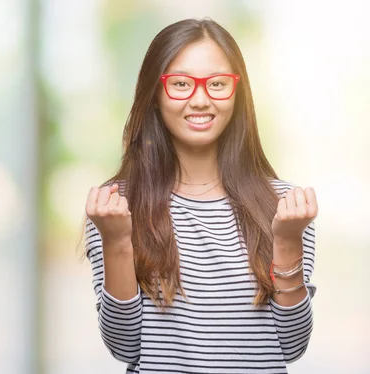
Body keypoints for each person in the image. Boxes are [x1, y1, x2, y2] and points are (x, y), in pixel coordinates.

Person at [83, 18, 318, 374]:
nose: (200, 99)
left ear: (237, 94)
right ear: (155, 95)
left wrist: (287, 244)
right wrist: (117, 242)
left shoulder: (284, 206)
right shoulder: (116, 207)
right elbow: (124, 347)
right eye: (180, 84)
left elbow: (291, 347)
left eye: (218, 84)